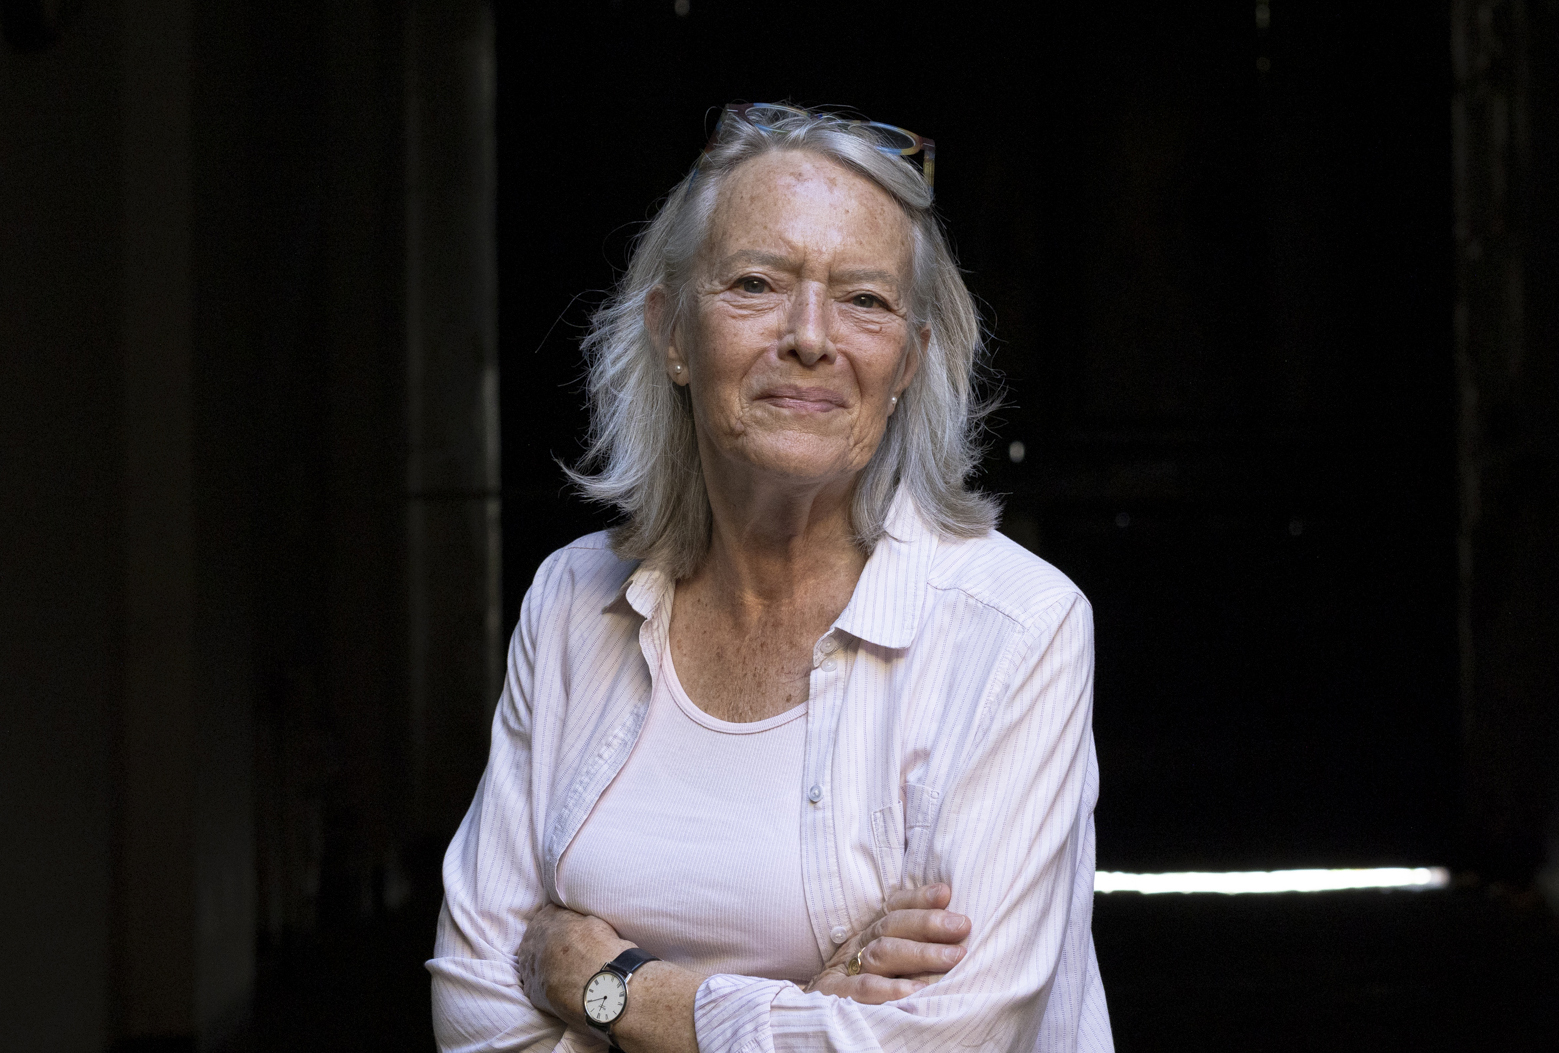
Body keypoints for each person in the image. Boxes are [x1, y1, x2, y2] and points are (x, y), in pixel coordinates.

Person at [428, 102, 1112, 1053]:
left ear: (908, 361)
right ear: (671, 332)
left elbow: (949, 1039)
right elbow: (474, 1015)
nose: (810, 336)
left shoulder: (1017, 626)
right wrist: (807, 1007)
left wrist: (610, 987)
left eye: (864, 299)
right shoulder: (571, 601)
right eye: (756, 283)